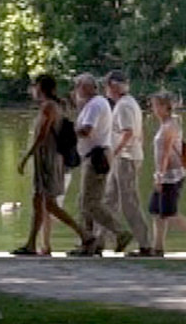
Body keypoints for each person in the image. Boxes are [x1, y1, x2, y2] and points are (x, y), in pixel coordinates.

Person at [14, 73, 86, 255]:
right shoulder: (56, 105)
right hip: (46, 157)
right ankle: (31, 243)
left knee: (49, 204)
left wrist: (26, 157)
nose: (32, 90)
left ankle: (85, 235)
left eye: (34, 86)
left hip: (48, 158)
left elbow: (42, 135)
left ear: (40, 88)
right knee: (38, 201)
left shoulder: (49, 107)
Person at [69, 72, 131, 255]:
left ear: (87, 87)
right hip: (94, 155)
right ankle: (89, 243)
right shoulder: (95, 103)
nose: (76, 90)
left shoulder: (95, 105)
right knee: (84, 201)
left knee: (90, 203)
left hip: (96, 157)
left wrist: (66, 133)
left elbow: (87, 130)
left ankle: (120, 232)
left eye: (78, 86)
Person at [147, 91, 186, 257]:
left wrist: (159, 175)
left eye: (156, 105)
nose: (153, 108)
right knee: (156, 211)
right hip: (164, 174)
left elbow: (166, 153)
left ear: (165, 107)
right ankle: (157, 247)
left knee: (169, 213)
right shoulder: (166, 124)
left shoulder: (170, 126)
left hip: (171, 176)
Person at [103, 69, 153, 255]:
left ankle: (145, 244)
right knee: (109, 201)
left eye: (107, 85)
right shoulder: (129, 103)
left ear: (114, 86)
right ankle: (104, 240)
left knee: (129, 202)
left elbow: (128, 132)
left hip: (125, 158)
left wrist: (112, 154)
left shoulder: (124, 106)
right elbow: (140, 133)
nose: (105, 90)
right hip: (126, 157)